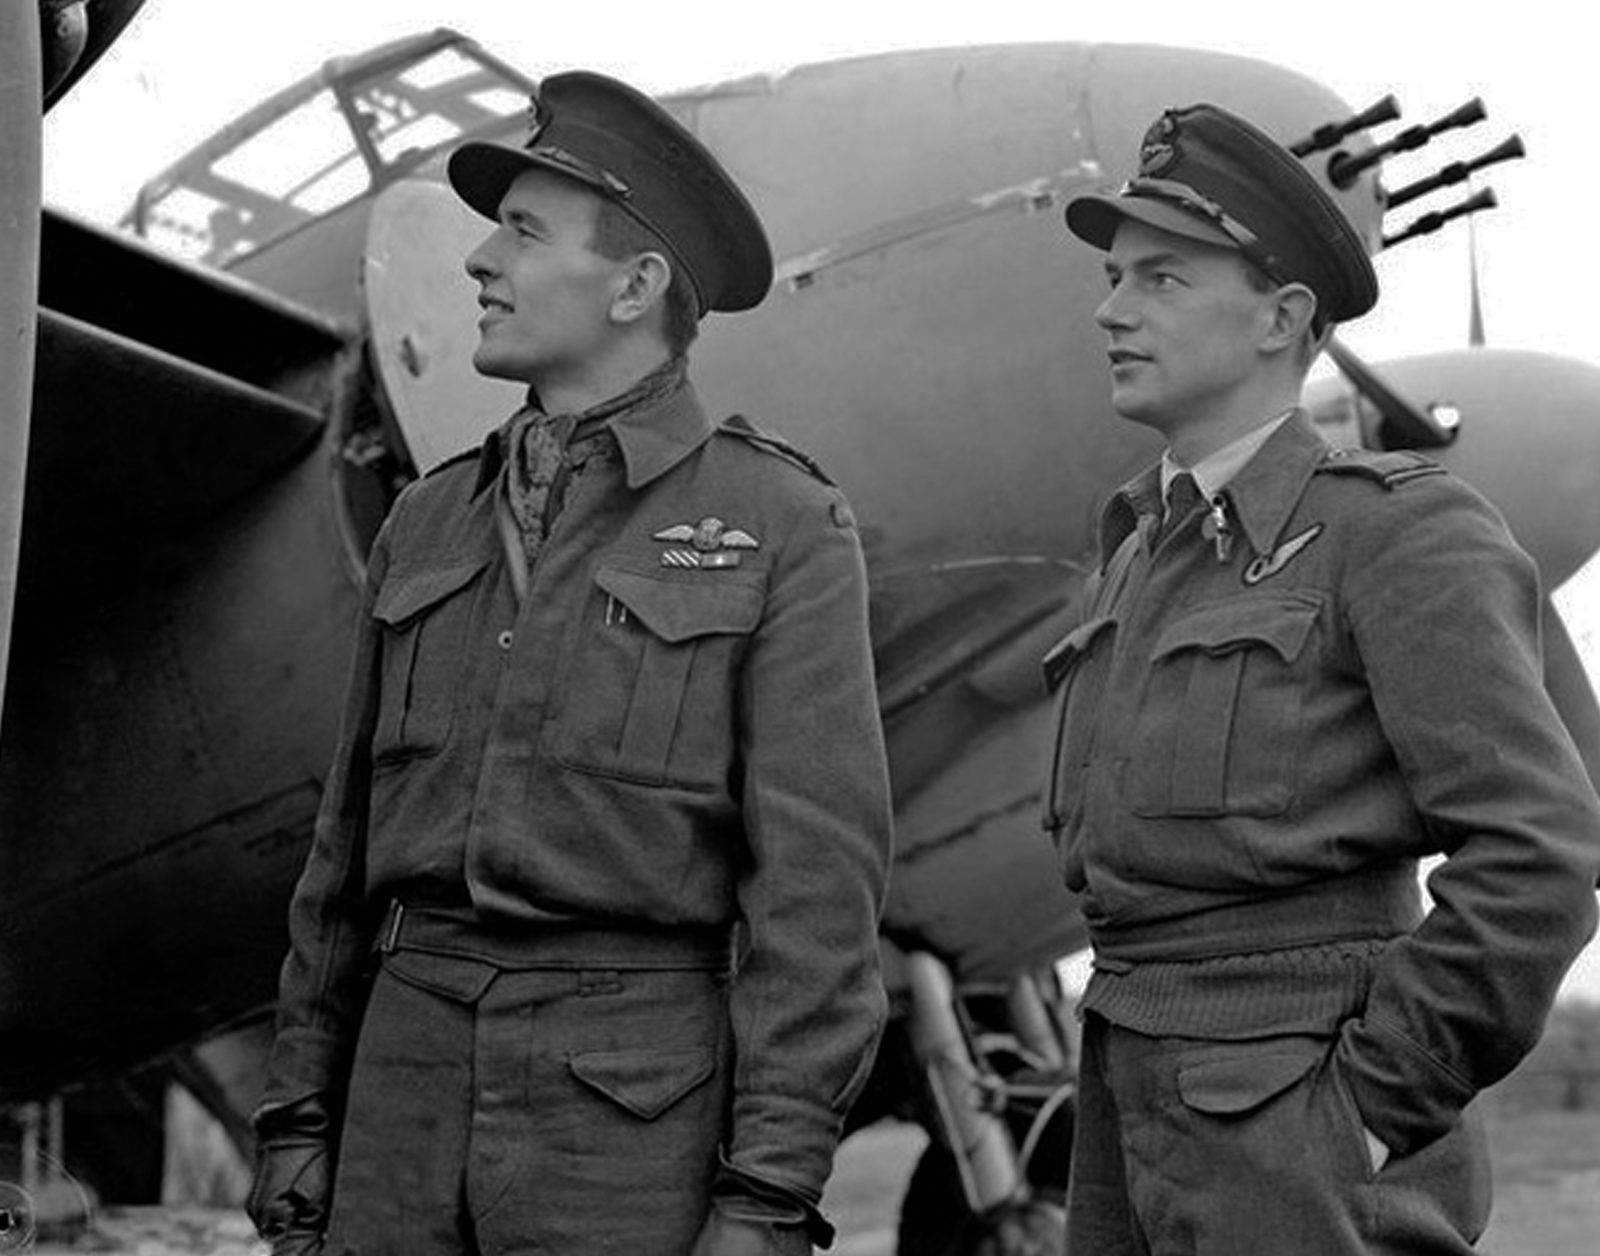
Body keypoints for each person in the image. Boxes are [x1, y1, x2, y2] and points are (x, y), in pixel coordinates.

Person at [246, 70, 892, 1256]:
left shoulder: (781, 523)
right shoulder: (426, 521)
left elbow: (816, 898)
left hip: (626, 1126)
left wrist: (767, 1190)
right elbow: (340, 862)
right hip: (397, 1111)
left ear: (634, 286)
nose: (478, 260)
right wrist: (299, 1117)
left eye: (524, 232)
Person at [1042, 101, 1600, 1254]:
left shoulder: (1395, 532)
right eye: (1112, 277)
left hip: (1302, 1139)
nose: (1111, 309)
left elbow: (1540, 853)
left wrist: (1373, 1106)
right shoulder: (1135, 552)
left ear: (1281, 316)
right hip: (1122, 1109)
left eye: (1160, 278)